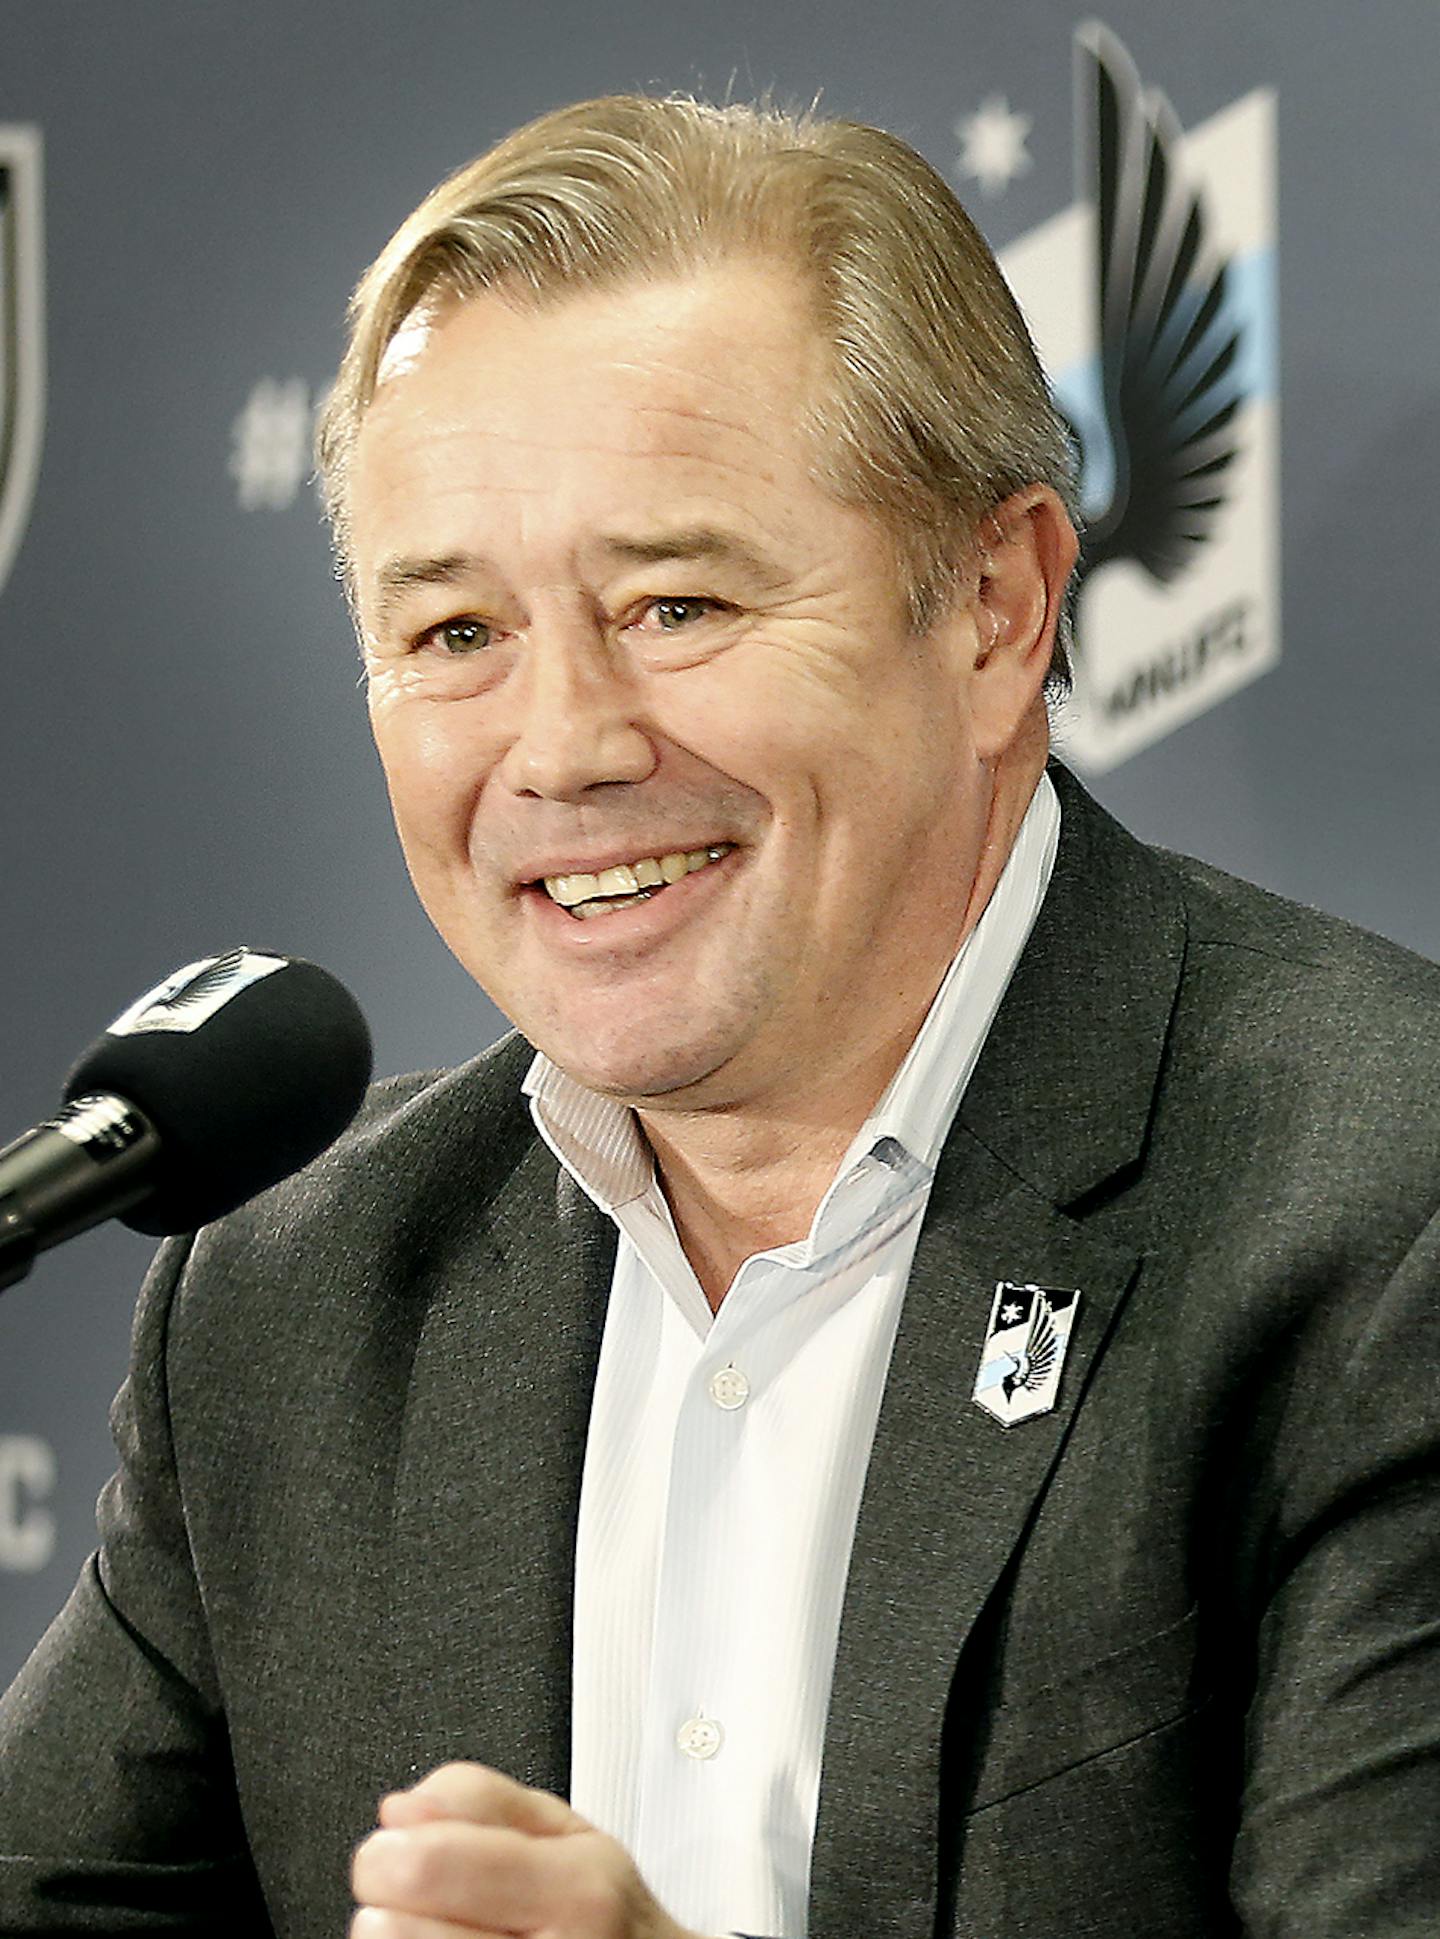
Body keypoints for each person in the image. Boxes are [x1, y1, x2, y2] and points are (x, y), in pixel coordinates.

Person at [2, 93, 1438, 1939]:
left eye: (677, 605)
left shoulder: (1383, 1213)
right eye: (456, 637)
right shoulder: (299, 1291)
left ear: (998, 606)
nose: (567, 745)